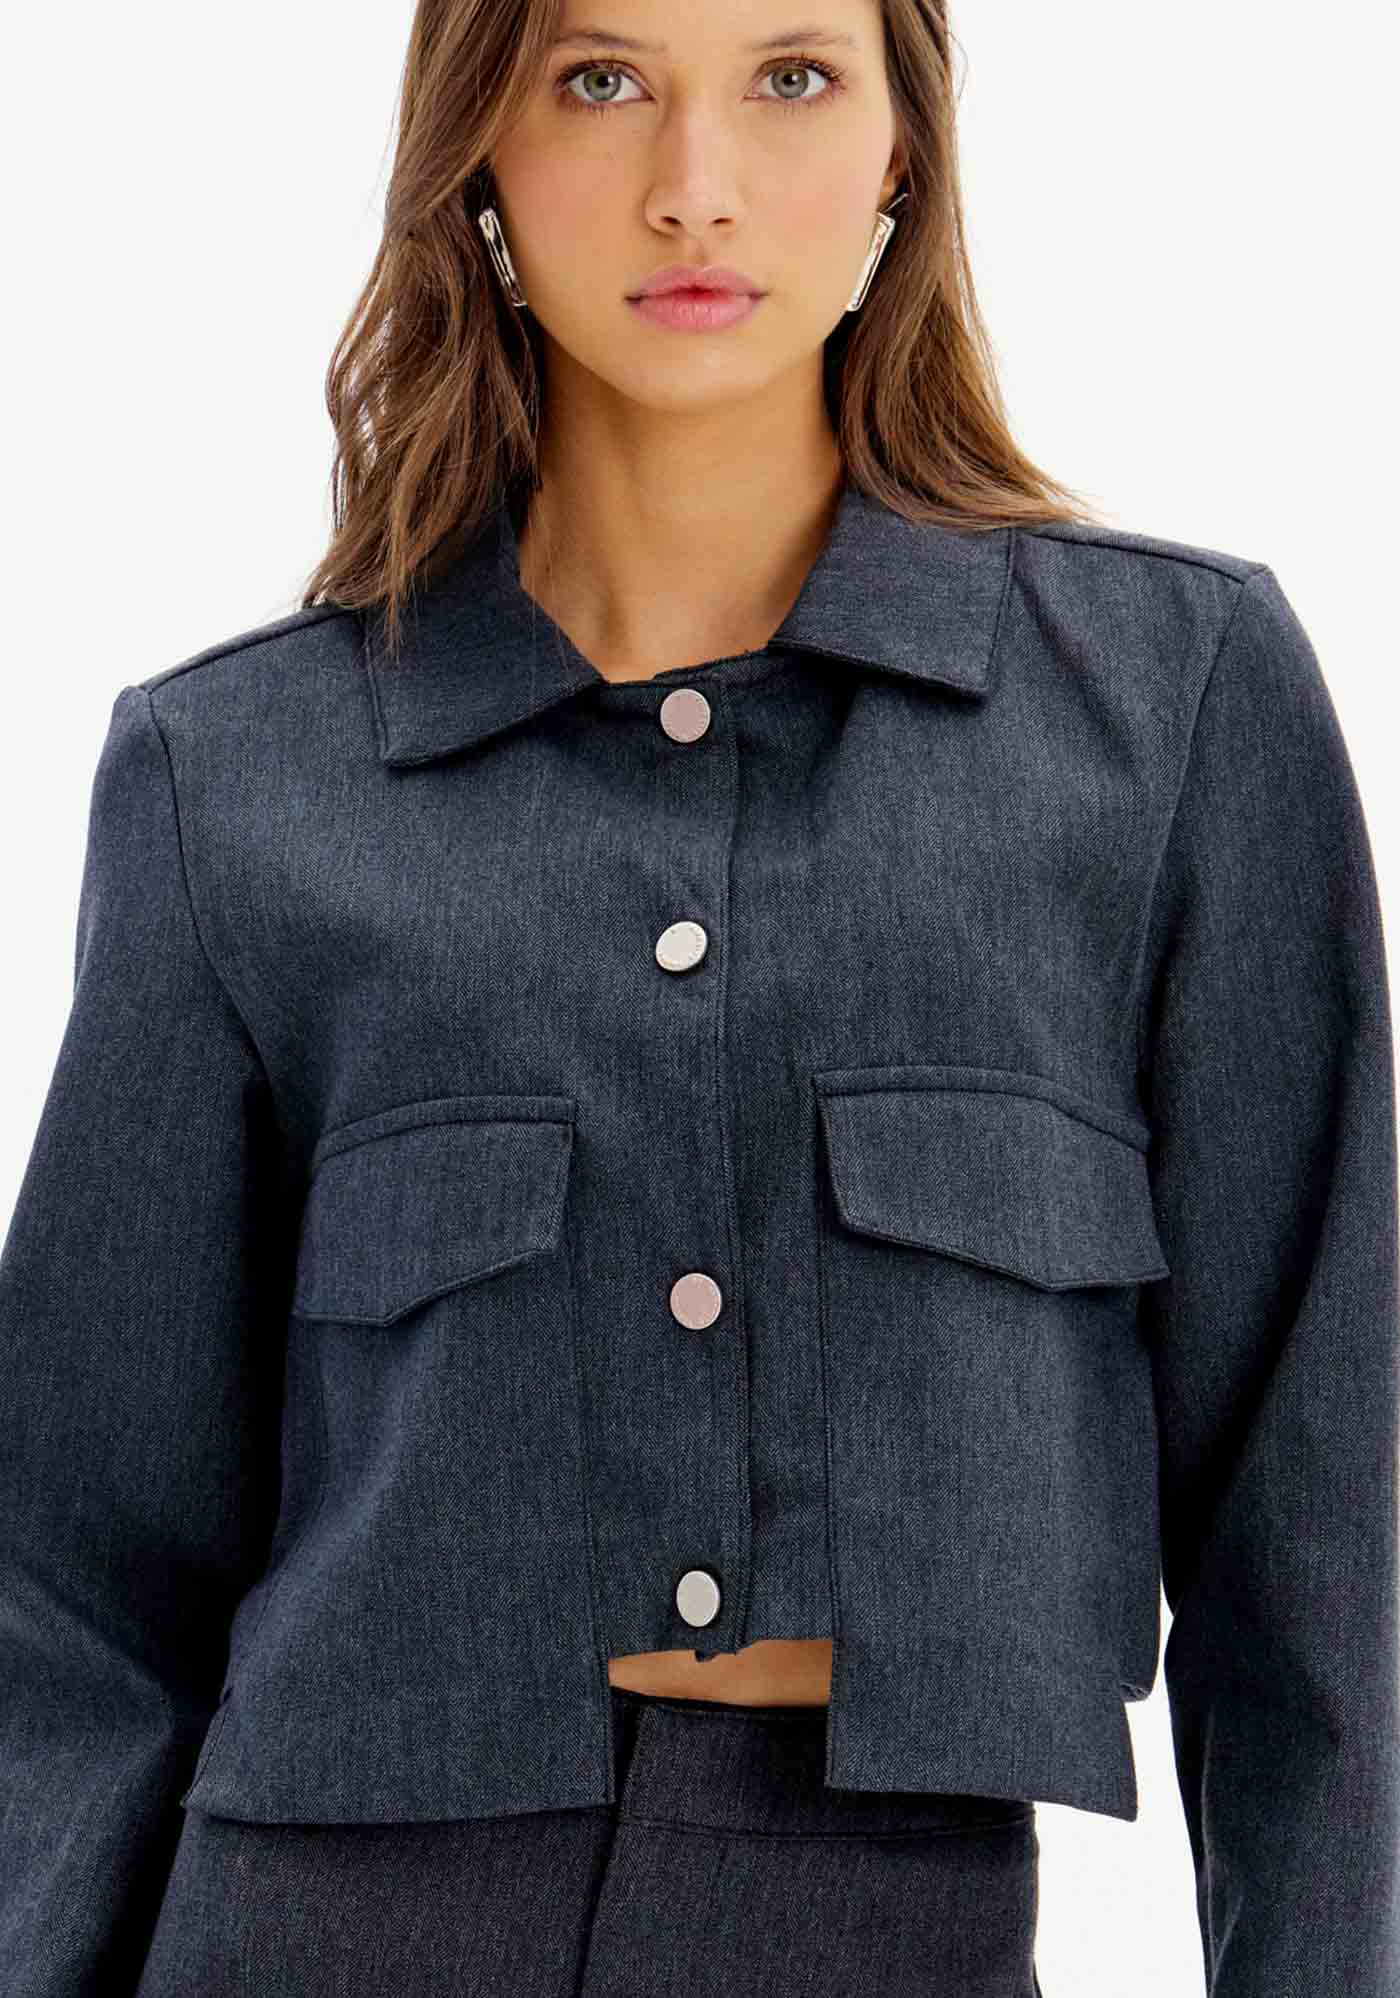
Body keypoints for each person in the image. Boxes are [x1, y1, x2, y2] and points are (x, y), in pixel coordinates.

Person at [2, 1, 1396, 1993]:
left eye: (791, 77)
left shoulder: (1167, 714)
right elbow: (72, 1585)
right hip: (315, 1916)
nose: (695, 185)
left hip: (887, 1915)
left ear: (906, 144)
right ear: (479, 150)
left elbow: (1324, 1542)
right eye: (600, 82)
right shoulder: (233, 778)